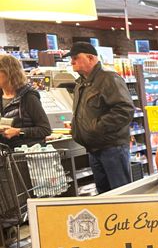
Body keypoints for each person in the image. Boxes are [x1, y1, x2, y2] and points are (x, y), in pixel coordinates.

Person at [66, 42, 135, 193]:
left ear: (90, 58)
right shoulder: (81, 84)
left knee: (121, 194)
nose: (72, 62)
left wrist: (95, 128)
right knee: (104, 195)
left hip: (112, 148)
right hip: (94, 148)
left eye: (76, 57)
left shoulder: (108, 78)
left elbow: (125, 110)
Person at [0, 54, 51, 149]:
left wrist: (18, 131)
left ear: (9, 73)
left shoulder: (28, 96)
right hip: (7, 156)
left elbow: (45, 129)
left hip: (27, 156)